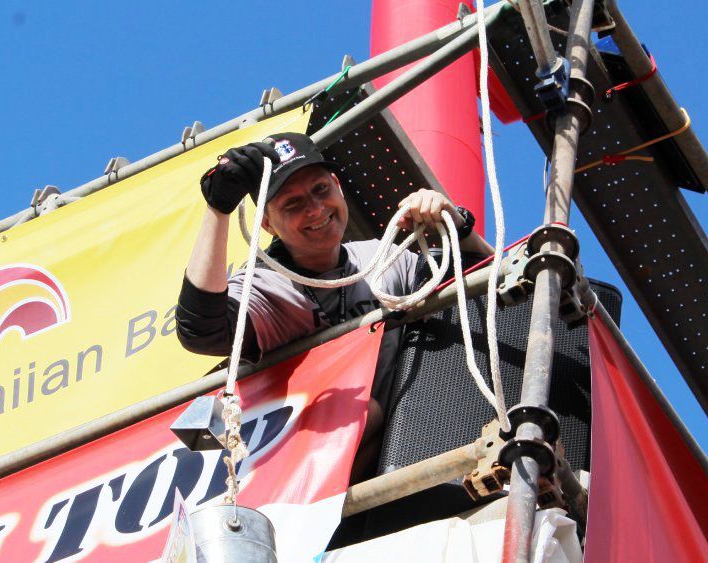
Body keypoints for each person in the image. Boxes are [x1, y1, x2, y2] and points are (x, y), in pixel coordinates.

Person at [175, 132, 492, 479]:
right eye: (292, 204)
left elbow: (484, 281)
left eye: (320, 189)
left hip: (405, 448)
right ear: (267, 224)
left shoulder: (380, 257)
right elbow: (199, 331)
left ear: (338, 186)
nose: (315, 209)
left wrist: (454, 221)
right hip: (294, 475)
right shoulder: (264, 288)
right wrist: (218, 210)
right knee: (366, 412)